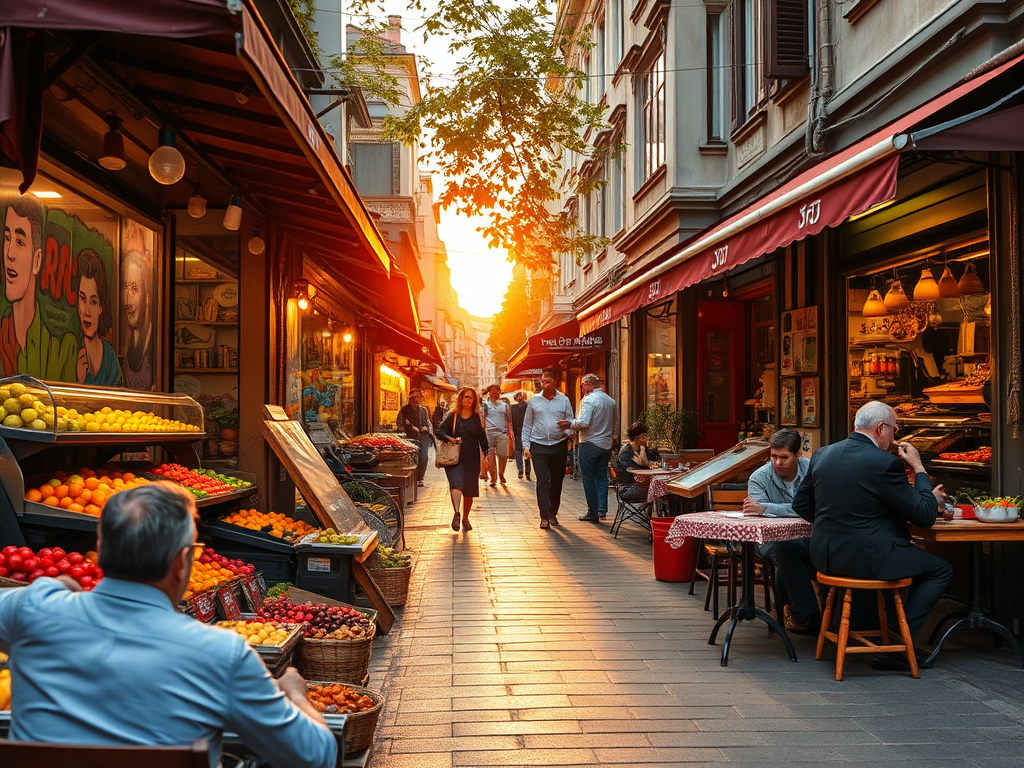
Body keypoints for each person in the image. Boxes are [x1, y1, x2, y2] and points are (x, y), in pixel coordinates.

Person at [0, 483, 336, 768]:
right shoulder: (222, 654)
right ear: (182, 563)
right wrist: (294, 692)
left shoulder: (31, 611)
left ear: (100, 552)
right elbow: (315, 755)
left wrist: (54, 587)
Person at [792, 400, 952, 668]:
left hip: (826, 555)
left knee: (910, 561)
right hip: (868, 559)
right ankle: (898, 644)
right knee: (941, 570)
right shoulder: (885, 463)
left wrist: (836, 526)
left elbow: (801, 505)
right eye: (894, 428)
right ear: (880, 428)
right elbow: (924, 516)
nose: (895, 435)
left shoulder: (823, 454)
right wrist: (919, 468)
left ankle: (889, 631)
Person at [743, 428, 818, 634]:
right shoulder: (759, 477)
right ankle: (806, 614)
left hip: (809, 537)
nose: (777, 463)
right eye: (774, 456)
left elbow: (814, 509)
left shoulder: (811, 469)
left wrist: (768, 508)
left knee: (808, 549)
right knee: (783, 548)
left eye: (784, 457)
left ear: (798, 455)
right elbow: (755, 514)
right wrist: (793, 510)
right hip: (769, 539)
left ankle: (792, 607)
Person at [0, 197, 77, 380]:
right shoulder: (2, 333)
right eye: (7, 238)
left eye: (19, 242)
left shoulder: (62, 348)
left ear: (37, 261)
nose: (9, 253)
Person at [522, 369, 574, 529]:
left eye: (548, 381)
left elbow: (571, 421)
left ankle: (553, 512)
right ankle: (544, 516)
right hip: (538, 446)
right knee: (542, 481)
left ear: (555, 382)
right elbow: (527, 424)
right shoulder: (534, 401)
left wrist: (568, 432)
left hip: (558, 445)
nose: (545, 384)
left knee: (557, 481)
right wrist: (525, 445)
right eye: (543, 381)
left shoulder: (564, 400)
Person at [436, 387, 490, 532]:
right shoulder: (453, 415)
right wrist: (451, 438)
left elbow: (482, 437)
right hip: (454, 457)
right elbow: (439, 432)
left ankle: (466, 517)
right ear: (460, 398)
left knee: (469, 491)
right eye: (465, 397)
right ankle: (457, 513)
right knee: (456, 484)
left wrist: (486, 453)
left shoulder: (476, 417)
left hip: (472, 456)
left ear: (474, 401)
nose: (468, 400)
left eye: (470, 398)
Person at [566, 373, 617, 522]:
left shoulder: (588, 400)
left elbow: (583, 423)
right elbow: (616, 422)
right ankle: (601, 508)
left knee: (588, 477)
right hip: (606, 444)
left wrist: (569, 423)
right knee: (601, 477)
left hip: (590, 443)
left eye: (583, 386)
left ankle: (592, 512)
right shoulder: (610, 401)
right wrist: (613, 438)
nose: (582, 389)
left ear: (588, 385)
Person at [75, 248, 123, 387]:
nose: (87, 311)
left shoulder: (109, 356)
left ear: (101, 307)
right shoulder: (72, 350)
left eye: (93, 302)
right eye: (83, 299)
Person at [121, 248, 154, 390]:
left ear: (147, 296)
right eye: (125, 287)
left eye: (134, 289)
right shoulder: (124, 345)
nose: (126, 301)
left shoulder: (158, 346)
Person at [615, 421, 662, 500]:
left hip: (642, 484)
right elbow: (633, 470)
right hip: (628, 488)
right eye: (643, 436)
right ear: (636, 438)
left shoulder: (643, 449)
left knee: (663, 490)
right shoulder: (626, 452)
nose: (646, 439)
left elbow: (653, 462)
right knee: (661, 491)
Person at [398, 389, 433, 487]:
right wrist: (404, 432)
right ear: (410, 398)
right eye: (414, 397)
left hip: (423, 437)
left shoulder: (423, 409)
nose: (416, 399)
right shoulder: (404, 410)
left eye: (417, 397)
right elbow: (400, 424)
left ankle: (420, 478)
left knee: (424, 457)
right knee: (413, 458)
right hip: (410, 438)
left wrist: (426, 428)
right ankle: (414, 478)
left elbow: (428, 422)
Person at [481, 384, 511, 487]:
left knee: (503, 455)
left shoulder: (504, 405)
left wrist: (510, 433)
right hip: (488, 432)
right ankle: (493, 478)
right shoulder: (484, 404)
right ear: (489, 392)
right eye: (492, 390)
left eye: (497, 390)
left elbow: (508, 419)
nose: (495, 392)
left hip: (502, 432)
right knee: (490, 456)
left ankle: (501, 473)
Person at [510, 392, 531, 481]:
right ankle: (524, 471)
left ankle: (523, 470)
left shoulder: (515, 407)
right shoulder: (526, 407)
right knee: (523, 451)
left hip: (521, 432)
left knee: (521, 452)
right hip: (520, 432)